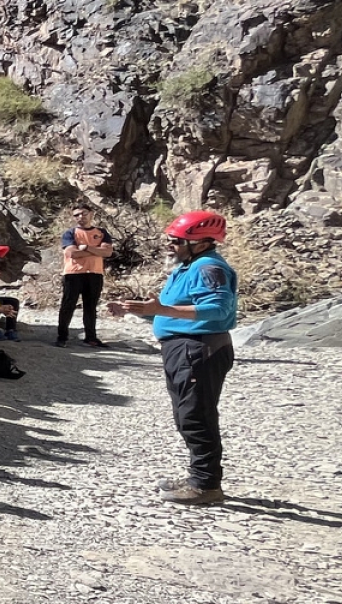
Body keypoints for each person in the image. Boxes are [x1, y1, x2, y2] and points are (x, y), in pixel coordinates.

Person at [110, 210, 238, 506]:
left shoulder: (209, 267)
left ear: (203, 242)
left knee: (196, 414)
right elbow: (174, 306)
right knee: (186, 414)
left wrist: (160, 311)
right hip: (186, 347)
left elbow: (217, 309)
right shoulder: (190, 265)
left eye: (177, 241)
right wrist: (138, 309)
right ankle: (199, 478)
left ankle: (206, 485)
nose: (171, 245)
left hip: (198, 347)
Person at [57, 204, 114, 348]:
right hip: (73, 273)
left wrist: (87, 248)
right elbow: (73, 253)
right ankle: (62, 337)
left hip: (95, 274)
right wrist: (97, 250)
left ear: (91, 213)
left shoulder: (101, 232)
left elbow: (108, 252)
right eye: (76, 215)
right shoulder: (70, 233)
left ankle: (91, 337)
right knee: (67, 305)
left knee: (91, 307)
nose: (80, 217)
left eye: (83, 213)